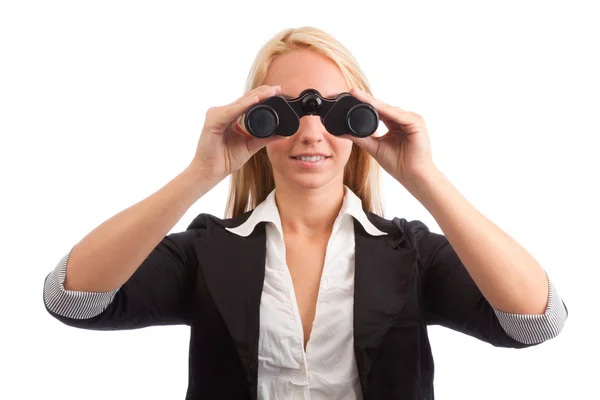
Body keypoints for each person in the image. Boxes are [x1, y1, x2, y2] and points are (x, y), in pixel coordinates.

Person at [43, 26, 568, 399]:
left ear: (363, 120)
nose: (311, 131)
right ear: (257, 119)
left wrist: (423, 176)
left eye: (337, 111)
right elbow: (71, 299)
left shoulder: (410, 254)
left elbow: (536, 322)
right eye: (287, 111)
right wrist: (201, 174)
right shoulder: (209, 251)